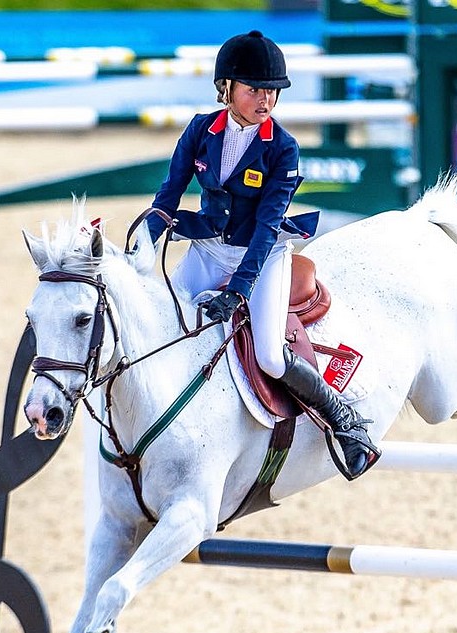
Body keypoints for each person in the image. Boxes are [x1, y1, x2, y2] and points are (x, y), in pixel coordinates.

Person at [145, 30, 378, 480]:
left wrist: (239, 289)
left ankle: (345, 423)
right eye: (255, 89)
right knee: (165, 322)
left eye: (272, 91)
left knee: (270, 355)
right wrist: (140, 250)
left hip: (263, 256)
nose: (265, 99)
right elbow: (169, 194)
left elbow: (267, 226)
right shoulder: (199, 129)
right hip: (210, 248)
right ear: (226, 88)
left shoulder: (284, 148)